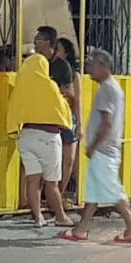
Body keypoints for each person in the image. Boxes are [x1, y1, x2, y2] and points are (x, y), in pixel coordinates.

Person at [58, 49, 131, 244]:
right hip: (106, 149)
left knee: (112, 190)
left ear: (104, 66)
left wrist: (93, 145)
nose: (89, 69)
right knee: (95, 191)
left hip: (104, 150)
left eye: (92, 64)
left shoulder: (107, 90)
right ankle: (81, 229)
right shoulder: (111, 88)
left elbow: (107, 121)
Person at [6, 52, 75, 228]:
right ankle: (60, 217)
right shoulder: (50, 86)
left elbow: (14, 111)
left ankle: (38, 218)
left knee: (32, 180)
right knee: (51, 183)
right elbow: (64, 110)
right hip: (48, 138)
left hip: (26, 137)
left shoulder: (21, 88)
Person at [55, 38, 83, 199]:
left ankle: (60, 192)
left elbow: (77, 100)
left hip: (69, 118)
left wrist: (80, 124)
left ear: (66, 53)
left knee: (69, 160)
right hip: (53, 117)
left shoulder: (73, 74)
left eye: (59, 49)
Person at [34, 26, 74, 98]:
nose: (35, 44)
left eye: (37, 41)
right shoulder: (34, 63)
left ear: (47, 42)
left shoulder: (63, 66)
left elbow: (69, 95)